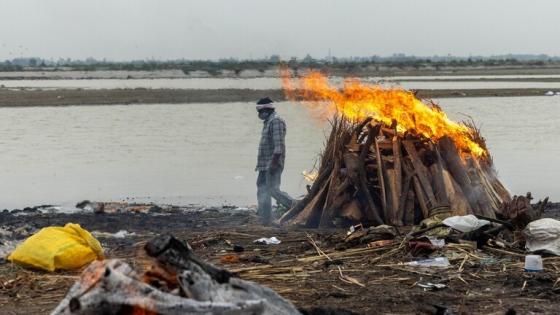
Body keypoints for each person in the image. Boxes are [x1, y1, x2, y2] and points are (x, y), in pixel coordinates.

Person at [255, 97, 294, 225]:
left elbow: (279, 147)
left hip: (272, 163)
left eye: (260, 111)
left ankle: (296, 207)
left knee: (273, 190)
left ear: (266, 110)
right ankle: (266, 219)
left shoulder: (276, 121)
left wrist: (273, 164)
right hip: (264, 165)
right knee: (261, 188)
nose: (258, 114)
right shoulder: (268, 122)